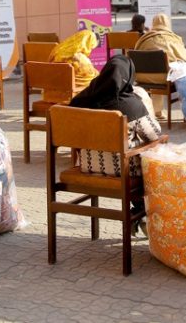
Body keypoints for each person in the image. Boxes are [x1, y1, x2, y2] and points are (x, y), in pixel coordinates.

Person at [69, 55, 162, 234]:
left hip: (88, 165)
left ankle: (140, 211)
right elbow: (155, 135)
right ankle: (142, 211)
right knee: (147, 159)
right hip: (123, 171)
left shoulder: (83, 99)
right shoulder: (131, 105)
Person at [133, 13, 186, 118]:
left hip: (141, 77)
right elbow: (184, 57)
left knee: (156, 68)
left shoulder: (143, 39)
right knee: (178, 73)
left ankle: (157, 111)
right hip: (164, 78)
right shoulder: (173, 39)